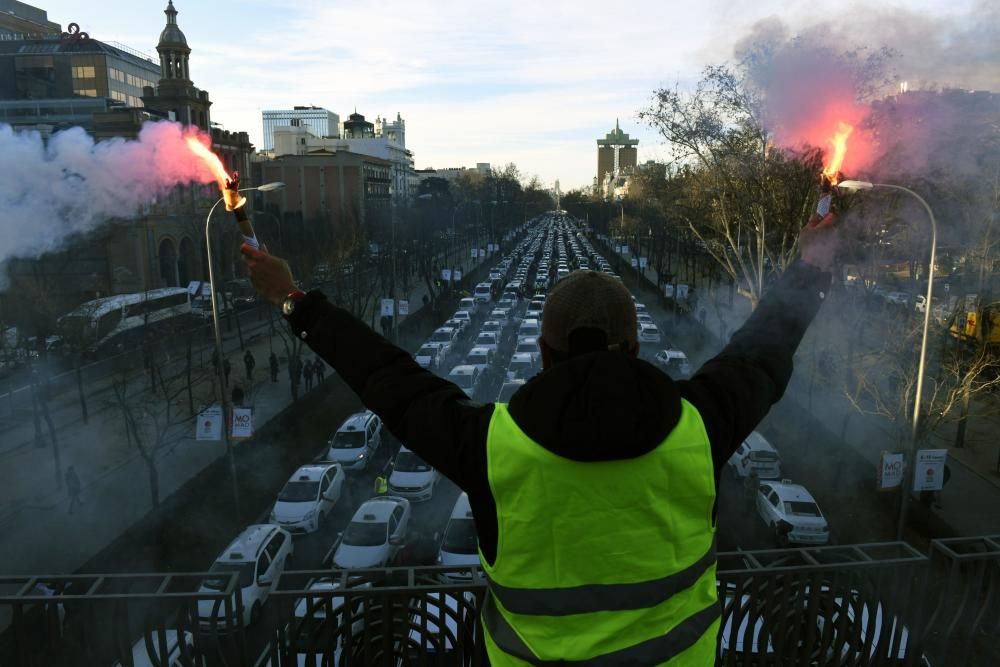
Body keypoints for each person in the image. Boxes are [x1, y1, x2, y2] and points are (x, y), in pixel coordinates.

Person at [241, 212, 835, 664]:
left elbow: (389, 380)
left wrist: (295, 301)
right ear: (633, 349)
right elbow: (764, 349)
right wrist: (812, 265)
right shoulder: (700, 428)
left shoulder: (493, 447)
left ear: (544, 353)